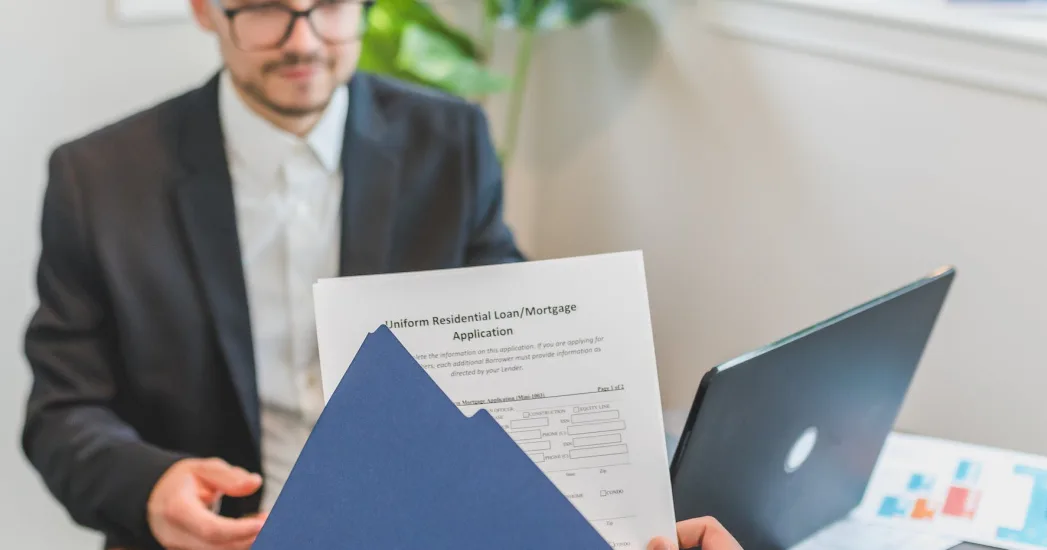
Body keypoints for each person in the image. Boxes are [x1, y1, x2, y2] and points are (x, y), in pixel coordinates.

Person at [18, 0, 744, 548]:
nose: (303, 40)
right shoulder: (99, 179)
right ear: (207, 8)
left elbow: (514, 352)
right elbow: (61, 413)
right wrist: (151, 488)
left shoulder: (451, 140)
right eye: (268, 7)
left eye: (329, 6)